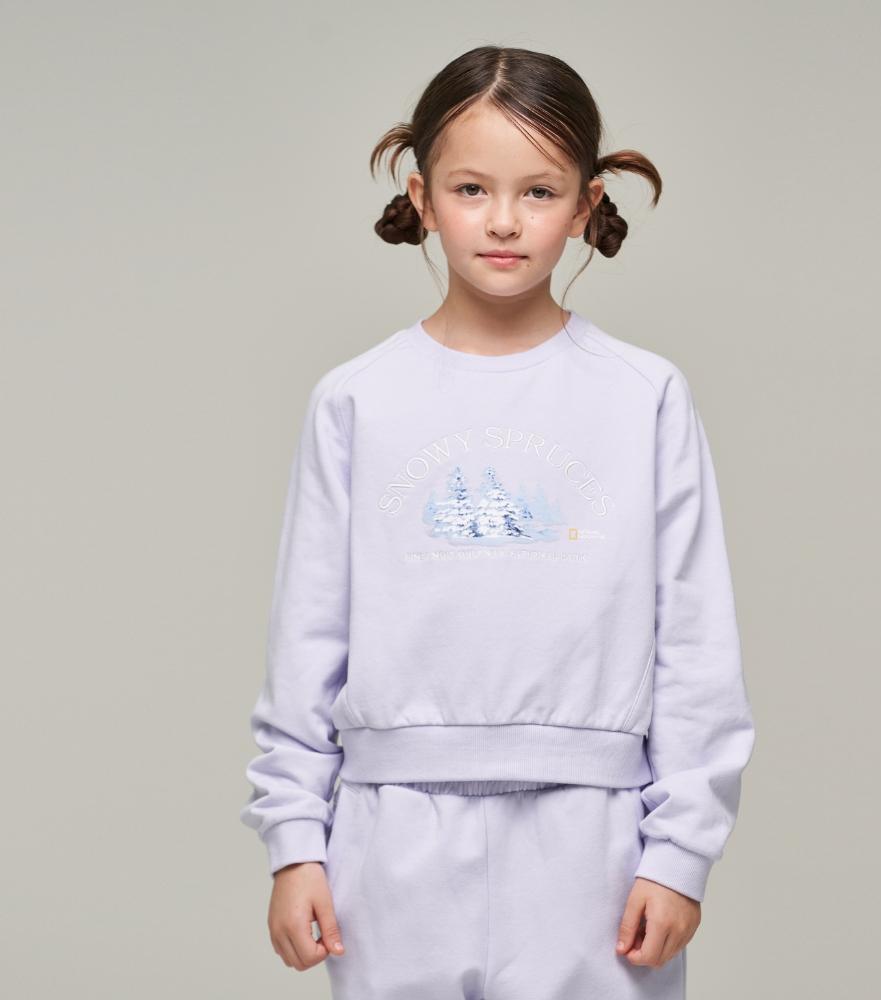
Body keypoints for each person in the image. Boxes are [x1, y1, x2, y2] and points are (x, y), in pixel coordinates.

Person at [239, 44, 756, 1000]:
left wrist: (681, 850)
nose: (505, 220)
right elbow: (308, 636)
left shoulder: (643, 395)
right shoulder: (358, 399)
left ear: (587, 204)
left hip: (596, 843)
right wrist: (295, 841)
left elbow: (694, 638)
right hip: (389, 835)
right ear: (423, 196)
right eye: (472, 188)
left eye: (540, 192)